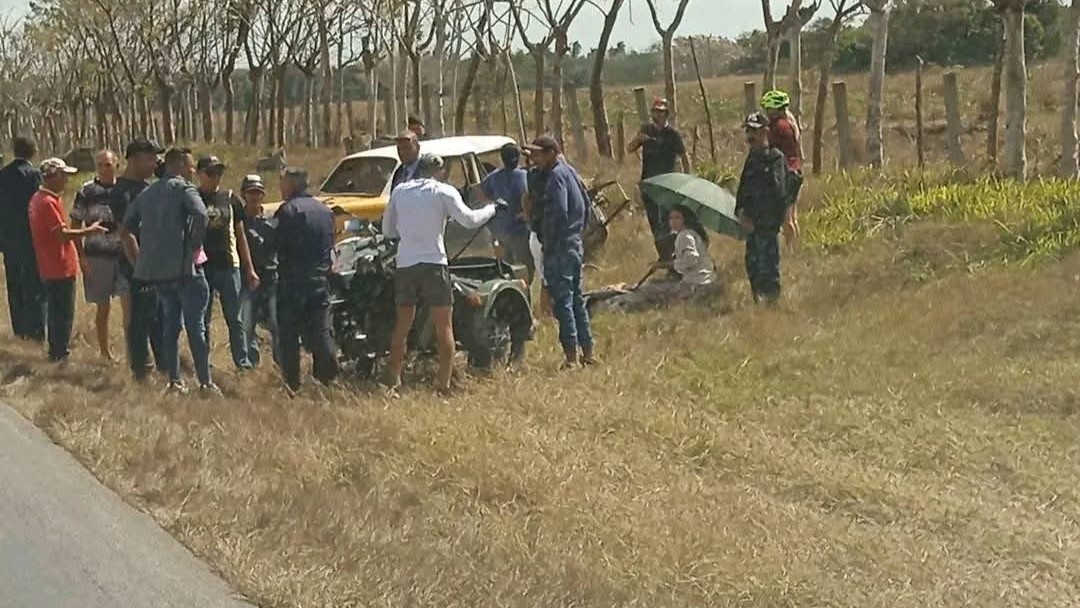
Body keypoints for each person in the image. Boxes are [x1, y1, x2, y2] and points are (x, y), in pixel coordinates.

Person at [382, 153, 501, 394]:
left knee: (402, 324)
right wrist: (491, 209)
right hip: (433, 263)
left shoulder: (400, 191)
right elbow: (469, 220)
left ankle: (393, 379)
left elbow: (388, 230)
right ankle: (443, 383)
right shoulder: (443, 191)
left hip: (405, 263)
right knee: (443, 325)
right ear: (438, 170)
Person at [122, 147, 216, 395]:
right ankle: (205, 382)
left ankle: (174, 380)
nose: (193, 170)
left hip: (160, 273)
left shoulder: (147, 193)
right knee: (196, 327)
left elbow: (126, 228)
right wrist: (193, 247)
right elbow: (201, 214)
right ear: (181, 165)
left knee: (169, 327)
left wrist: (141, 261)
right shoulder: (185, 189)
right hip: (187, 271)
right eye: (191, 165)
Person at [28, 158, 108, 362]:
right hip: (58, 265)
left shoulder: (39, 198)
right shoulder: (47, 202)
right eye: (63, 176)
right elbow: (62, 234)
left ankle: (57, 349)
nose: (66, 180)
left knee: (57, 311)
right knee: (62, 313)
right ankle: (59, 353)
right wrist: (89, 231)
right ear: (52, 176)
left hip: (50, 264)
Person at [525, 135, 594, 368]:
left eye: (539, 154)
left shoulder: (555, 177)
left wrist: (549, 242)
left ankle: (571, 358)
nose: (535, 159)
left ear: (552, 153)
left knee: (563, 303)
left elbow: (558, 212)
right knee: (577, 299)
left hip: (560, 247)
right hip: (574, 244)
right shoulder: (570, 172)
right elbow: (586, 206)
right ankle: (587, 352)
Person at [274, 167, 339, 394]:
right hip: (320, 280)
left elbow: (279, 246)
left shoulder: (289, 211)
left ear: (291, 185)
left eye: (283, 183)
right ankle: (325, 380)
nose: (280, 188)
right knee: (321, 331)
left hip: (294, 282)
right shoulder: (325, 211)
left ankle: (292, 385)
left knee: (290, 336)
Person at [590, 205, 718, 313]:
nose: (673, 221)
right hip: (703, 282)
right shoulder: (691, 234)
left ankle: (610, 307)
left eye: (677, 217)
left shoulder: (685, 236)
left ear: (685, 219)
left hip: (694, 285)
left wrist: (664, 265)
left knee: (646, 291)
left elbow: (691, 260)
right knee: (654, 285)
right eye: (671, 218)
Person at [196, 156, 258, 371]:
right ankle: (204, 362)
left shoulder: (230, 199)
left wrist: (249, 268)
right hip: (201, 267)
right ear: (200, 174)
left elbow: (240, 236)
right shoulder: (192, 198)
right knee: (202, 319)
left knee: (235, 318)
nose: (215, 178)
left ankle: (242, 363)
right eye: (210, 173)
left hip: (228, 265)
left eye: (219, 173)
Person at [113, 138, 168, 380]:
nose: (154, 163)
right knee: (140, 321)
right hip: (138, 268)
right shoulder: (121, 192)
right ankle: (141, 372)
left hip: (158, 267)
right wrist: (141, 268)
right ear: (133, 159)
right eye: (150, 158)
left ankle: (166, 368)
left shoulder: (149, 188)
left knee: (160, 319)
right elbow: (127, 235)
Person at [70, 150, 125, 361]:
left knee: (130, 304)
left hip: (123, 256)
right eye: (100, 165)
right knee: (103, 306)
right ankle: (105, 352)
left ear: (117, 165)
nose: (104, 169)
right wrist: (81, 256)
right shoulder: (87, 191)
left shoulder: (124, 189)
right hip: (97, 256)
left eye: (108, 165)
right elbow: (75, 223)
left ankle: (133, 353)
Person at [736, 112, 789, 305]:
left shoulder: (775, 159)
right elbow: (743, 188)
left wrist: (775, 218)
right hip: (751, 224)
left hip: (767, 223)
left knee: (768, 266)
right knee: (753, 265)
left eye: (754, 131)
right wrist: (741, 212)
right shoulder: (751, 159)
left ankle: (771, 304)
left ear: (765, 132)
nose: (750, 136)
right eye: (748, 131)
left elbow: (779, 192)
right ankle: (757, 300)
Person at [627, 98, 689, 262]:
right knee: (655, 223)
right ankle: (664, 257)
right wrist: (639, 139)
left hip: (667, 185)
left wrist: (686, 179)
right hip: (648, 185)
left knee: (669, 222)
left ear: (666, 114)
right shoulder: (646, 130)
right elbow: (629, 148)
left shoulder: (672, 134)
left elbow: (684, 156)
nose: (656, 114)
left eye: (660, 111)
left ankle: (676, 257)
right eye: (654, 111)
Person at [0, 136, 46, 341]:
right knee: (34, 285)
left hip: (9, 239)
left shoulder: (3, 174)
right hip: (31, 239)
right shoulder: (34, 175)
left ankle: (19, 329)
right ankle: (35, 330)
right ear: (33, 151)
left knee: (14, 284)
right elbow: (38, 206)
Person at [238, 174, 279, 368]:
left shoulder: (272, 220)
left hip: (272, 278)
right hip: (248, 280)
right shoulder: (238, 222)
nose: (254, 196)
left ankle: (281, 364)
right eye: (250, 192)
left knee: (277, 324)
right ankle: (250, 365)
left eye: (258, 192)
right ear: (243, 195)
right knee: (247, 326)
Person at [479, 142, 533, 283]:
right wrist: (525, 214)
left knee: (506, 269)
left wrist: (491, 207)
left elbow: (480, 193)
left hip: (500, 231)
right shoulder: (525, 176)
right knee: (525, 267)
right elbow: (529, 197)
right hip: (517, 231)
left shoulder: (493, 177)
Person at [761, 89, 803, 247]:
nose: (766, 112)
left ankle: (790, 248)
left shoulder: (779, 127)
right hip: (795, 170)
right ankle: (795, 247)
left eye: (768, 109)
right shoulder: (790, 122)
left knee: (785, 218)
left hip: (787, 173)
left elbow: (767, 146)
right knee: (792, 216)